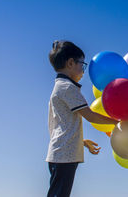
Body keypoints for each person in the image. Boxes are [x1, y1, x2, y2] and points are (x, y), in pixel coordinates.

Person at [46, 40, 119, 197]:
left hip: (61, 153)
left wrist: (82, 142)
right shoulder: (67, 87)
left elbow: (61, 126)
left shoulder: (59, 87)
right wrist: (117, 122)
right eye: (82, 64)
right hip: (64, 156)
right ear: (71, 63)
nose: (83, 70)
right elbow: (90, 115)